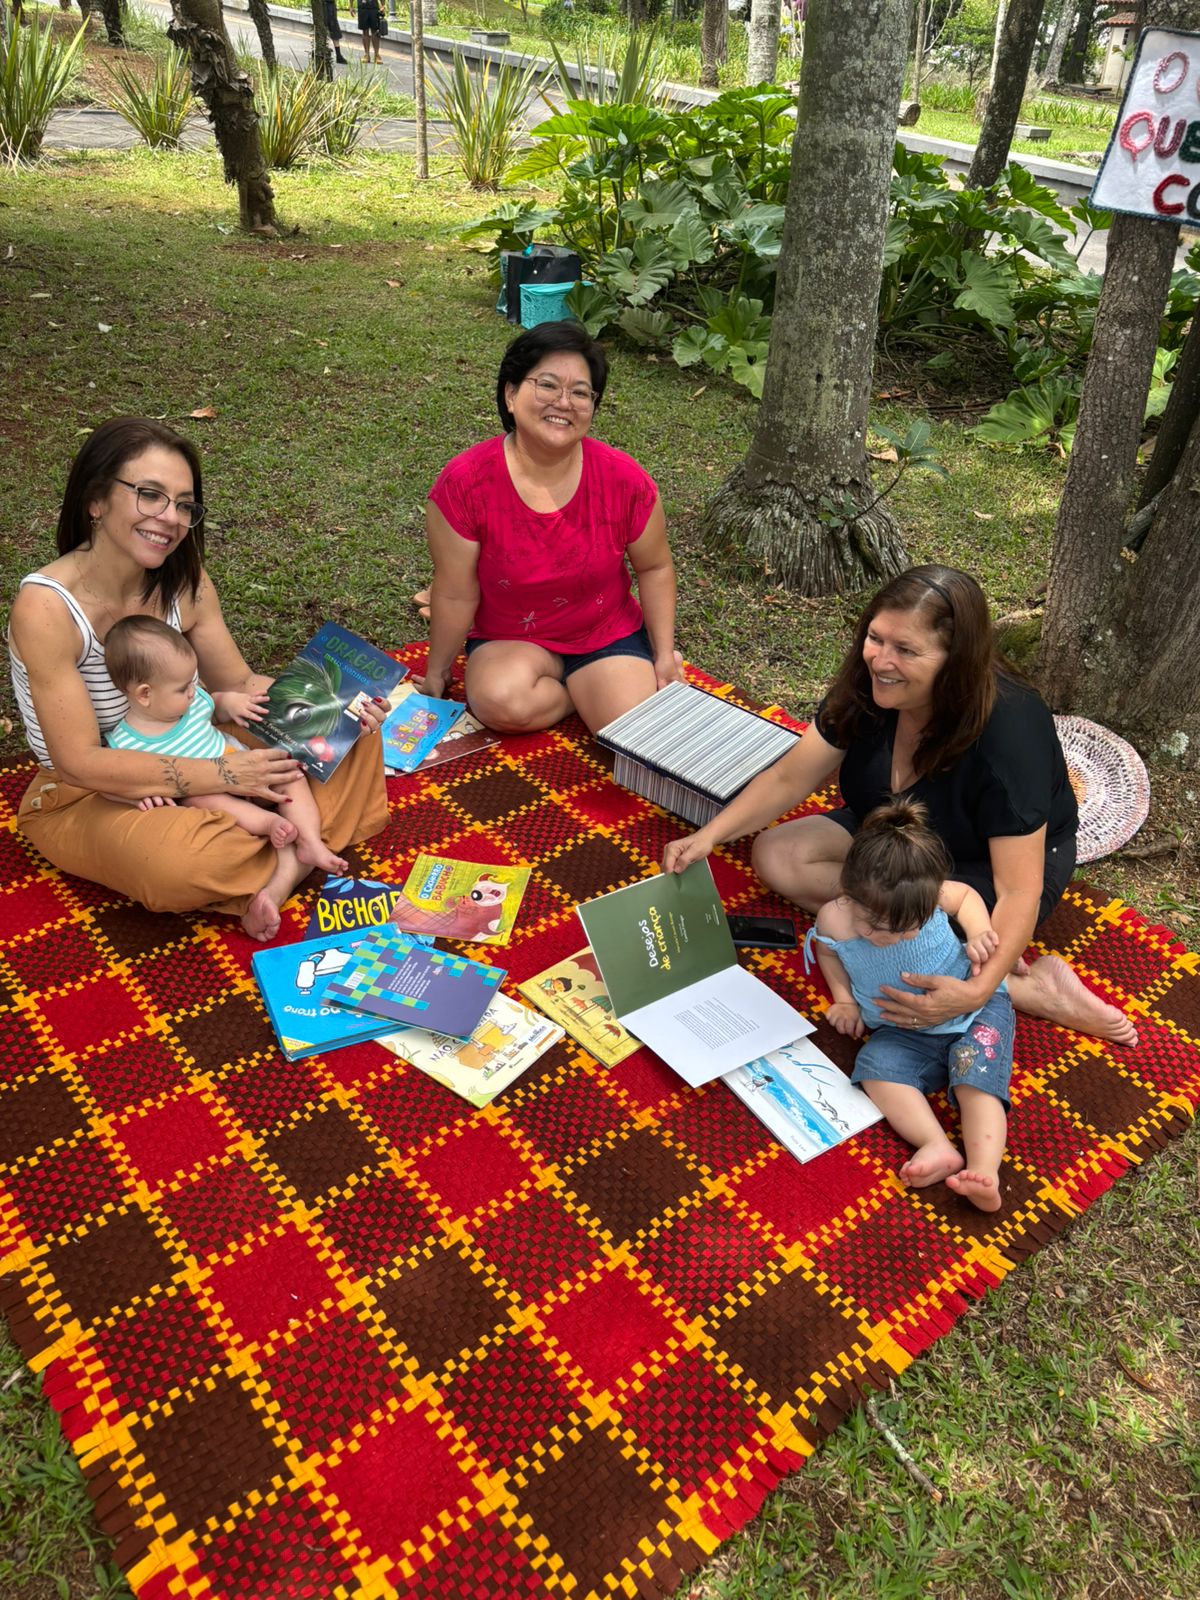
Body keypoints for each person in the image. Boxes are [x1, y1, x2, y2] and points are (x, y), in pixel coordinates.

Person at [663, 564, 1137, 1046]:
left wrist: (976, 993)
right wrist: (709, 836)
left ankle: (1029, 988)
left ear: (956, 661)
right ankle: (935, 945)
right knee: (776, 854)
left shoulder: (1009, 731)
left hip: (987, 862)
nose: (881, 661)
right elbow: (789, 776)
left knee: (944, 924)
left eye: (906, 650)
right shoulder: (866, 686)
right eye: (876, 638)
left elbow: (1018, 890)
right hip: (892, 834)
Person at [8, 417, 388, 943]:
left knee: (351, 736)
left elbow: (240, 683)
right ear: (95, 500)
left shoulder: (185, 581)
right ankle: (298, 843)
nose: (170, 518)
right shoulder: (47, 607)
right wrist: (225, 776)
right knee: (176, 864)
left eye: (184, 505)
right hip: (95, 791)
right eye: (150, 495)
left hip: (200, 739)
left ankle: (279, 852)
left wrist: (335, 702)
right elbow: (79, 761)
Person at [415, 321, 682, 735]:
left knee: (631, 731)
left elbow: (655, 567)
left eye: (581, 393)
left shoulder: (625, 480)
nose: (564, 402)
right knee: (500, 702)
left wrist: (664, 655)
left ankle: (595, 688)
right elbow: (454, 590)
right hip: (511, 636)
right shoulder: (464, 484)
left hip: (604, 630)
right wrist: (437, 674)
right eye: (547, 385)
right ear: (510, 394)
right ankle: (582, 692)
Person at [809, 800, 1012, 1212]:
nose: (897, 937)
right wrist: (844, 1000)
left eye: (911, 928)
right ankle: (936, 1145)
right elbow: (827, 953)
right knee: (875, 1069)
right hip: (900, 1029)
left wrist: (978, 932)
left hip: (973, 1011)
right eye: (879, 928)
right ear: (850, 896)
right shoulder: (833, 920)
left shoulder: (931, 893)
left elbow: (966, 897)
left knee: (974, 1080)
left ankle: (984, 1171)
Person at [103, 615, 346, 874]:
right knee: (203, 799)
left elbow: (215, 707)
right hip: (211, 793)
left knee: (290, 773)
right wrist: (135, 795)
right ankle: (269, 823)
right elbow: (109, 782)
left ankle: (310, 841)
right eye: (182, 688)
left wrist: (231, 703)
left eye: (193, 681)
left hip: (246, 766)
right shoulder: (125, 741)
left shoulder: (194, 703)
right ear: (145, 694)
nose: (193, 691)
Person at [324, 0, 348, 64]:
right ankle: (323, 53)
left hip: (330, 5)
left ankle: (338, 55)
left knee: (334, 29)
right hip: (324, 5)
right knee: (324, 28)